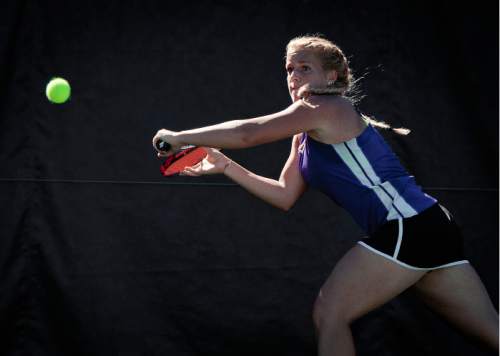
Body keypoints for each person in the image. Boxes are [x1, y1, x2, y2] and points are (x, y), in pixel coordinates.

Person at [152, 35, 498, 355]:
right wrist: (227, 166)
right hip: (430, 227)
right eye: (290, 69)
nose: (294, 76)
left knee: (330, 312)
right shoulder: (303, 134)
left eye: (305, 68)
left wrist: (179, 136)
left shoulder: (327, 108)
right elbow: (284, 195)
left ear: (332, 77)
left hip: (410, 227)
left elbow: (248, 134)